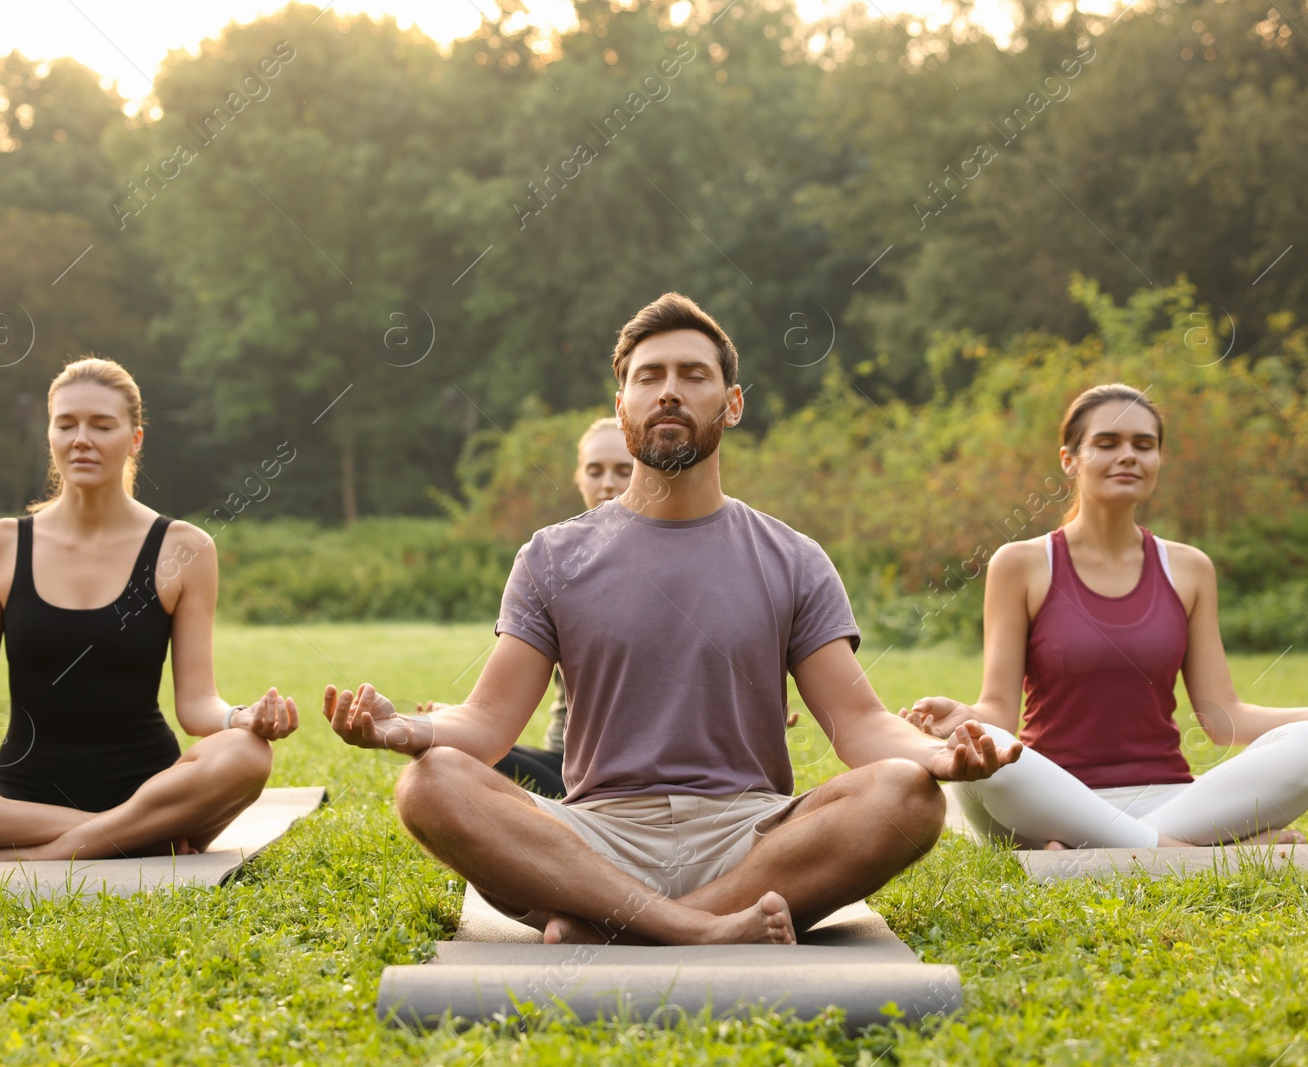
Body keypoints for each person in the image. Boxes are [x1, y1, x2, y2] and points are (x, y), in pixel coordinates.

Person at [326, 292, 1019, 946]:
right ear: (620, 403)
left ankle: (617, 928)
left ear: (733, 402)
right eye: (649, 375)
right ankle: (700, 929)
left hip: (751, 837)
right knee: (430, 781)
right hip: (594, 838)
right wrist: (406, 728)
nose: (670, 390)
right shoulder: (551, 556)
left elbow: (859, 723)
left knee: (907, 796)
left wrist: (935, 755)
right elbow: (486, 723)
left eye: (694, 374)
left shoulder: (794, 558)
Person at [0, 357, 299, 861]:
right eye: (66, 424)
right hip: (29, 801)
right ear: (50, 436)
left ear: (135, 440)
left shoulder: (184, 548)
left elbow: (196, 705)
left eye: (102, 425)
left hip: (151, 788)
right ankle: (122, 838)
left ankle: (38, 856)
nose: (81, 438)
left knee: (246, 754)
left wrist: (240, 718)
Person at [901, 383, 1308, 850]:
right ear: (1070, 460)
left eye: (1144, 444)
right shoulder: (1022, 563)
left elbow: (1224, 718)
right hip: (1049, 798)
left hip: (1170, 799)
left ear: (1158, 458)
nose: (1128, 456)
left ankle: (1106, 852)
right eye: (1107, 442)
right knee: (992, 751)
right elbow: (998, 712)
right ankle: (1192, 855)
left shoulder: (1189, 568)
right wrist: (965, 718)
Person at [478, 416, 633, 799]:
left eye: (623, 469)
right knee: (450, 752)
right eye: (595, 471)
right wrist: (456, 723)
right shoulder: (554, 561)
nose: (608, 483)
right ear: (579, 478)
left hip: (640, 769)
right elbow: (499, 706)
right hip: (565, 765)